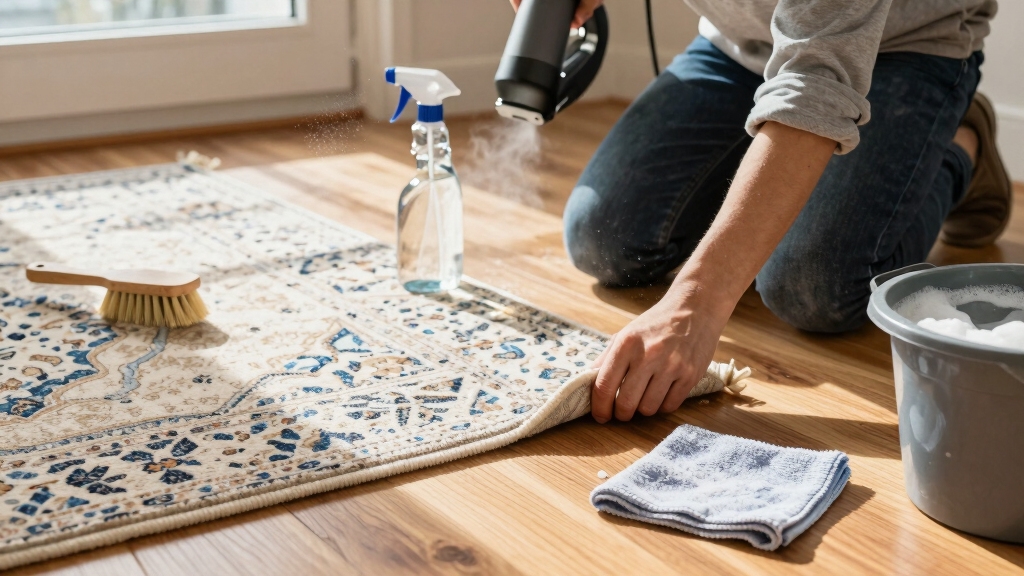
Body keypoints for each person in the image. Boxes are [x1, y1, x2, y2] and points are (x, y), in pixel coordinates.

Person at [510, 0, 1011, 423]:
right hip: (739, 45)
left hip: (904, 47)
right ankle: (772, 161)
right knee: (603, 238)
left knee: (814, 287)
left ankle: (960, 149)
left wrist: (696, 304)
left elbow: (815, 83)